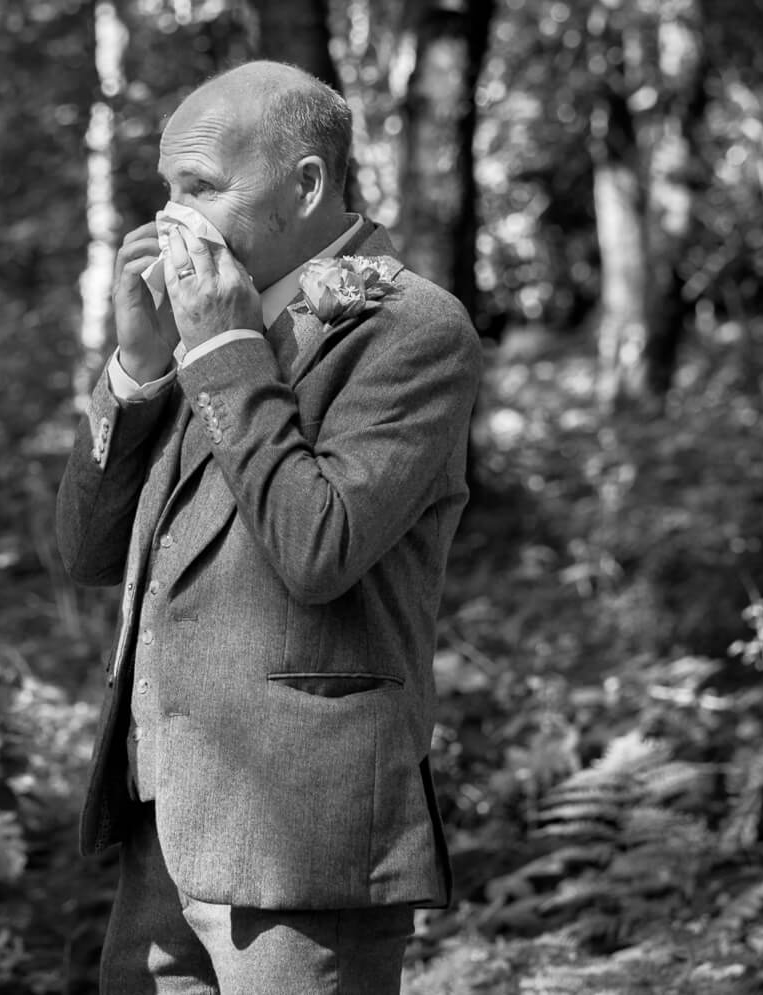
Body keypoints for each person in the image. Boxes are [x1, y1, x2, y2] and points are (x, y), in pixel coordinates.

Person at [55, 60, 483, 993]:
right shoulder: (205, 317)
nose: (173, 219)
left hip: (304, 832)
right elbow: (86, 552)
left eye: (201, 186)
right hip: (162, 821)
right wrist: (137, 367)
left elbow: (317, 547)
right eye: (168, 188)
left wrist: (221, 347)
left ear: (307, 185)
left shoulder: (414, 329)